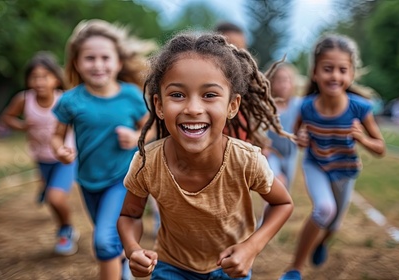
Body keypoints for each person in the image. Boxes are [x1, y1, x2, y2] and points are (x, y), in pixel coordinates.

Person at [117, 32, 295, 280]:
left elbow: (283, 203)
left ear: (232, 105)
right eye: (177, 95)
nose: (193, 108)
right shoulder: (147, 162)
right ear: (158, 105)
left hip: (229, 269)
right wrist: (132, 249)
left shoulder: (246, 160)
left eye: (209, 95)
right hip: (170, 267)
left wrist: (250, 248)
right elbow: (129, 215)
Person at [51, 19, 155, 280]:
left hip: (123, 179)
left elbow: (152, 129)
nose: (98, 65)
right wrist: (60, 151)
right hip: (88, 181)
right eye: (89, 58)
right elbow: (56, 137)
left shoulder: (131, 95)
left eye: (105, 58)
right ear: (76, 62)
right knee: (110, 234)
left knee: (103, 242)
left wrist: (136, 137)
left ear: (118, 62)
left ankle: (117, 266)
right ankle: (122, 263)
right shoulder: (70, 100)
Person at [280, 34, 386, 280]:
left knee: (333, 225)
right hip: (316, 165)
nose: (335, 76)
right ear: (315, 72)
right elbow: (296, 136)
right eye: (328, 69)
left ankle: (321, 243)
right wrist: (300, 139)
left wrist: (363, 139)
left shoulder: (359, 108)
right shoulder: (306, 106)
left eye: (342, 70)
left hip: (345, 172)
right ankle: (294, 269)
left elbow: (380, 148)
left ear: (351, 74)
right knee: (324, 210)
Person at [1, 51, 78, 256]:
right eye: (34, 77)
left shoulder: (64, 99)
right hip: (41, 156)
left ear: (55, 78)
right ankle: (47, 191)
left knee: (55, 198)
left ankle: (66, 231)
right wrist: (23, 126)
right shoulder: (24, 99)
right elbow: (6, 118)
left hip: (65, 157)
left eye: (44, 76)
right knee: (49, 194)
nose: (39, 81)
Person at [264, 60, 302, 190]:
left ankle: (276, 209)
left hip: (291, 154)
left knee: (286, 190)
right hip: (272, 153)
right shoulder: (267, 106)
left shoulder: (298, 104)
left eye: (287, 80)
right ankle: (268, 209)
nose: (284, 85)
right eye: (279, 80)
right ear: (271, 82)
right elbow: (259, 129)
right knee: (276, 184)